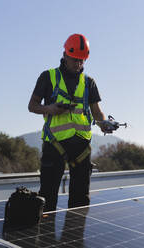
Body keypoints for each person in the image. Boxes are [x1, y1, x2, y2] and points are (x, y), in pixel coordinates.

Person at [28, 33, 108, 211]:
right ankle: (45, 236)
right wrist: (50, 109)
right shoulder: (48, 77)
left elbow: (97, 112)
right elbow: (32, 106)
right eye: (75, 59)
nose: (78, 64)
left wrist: (104, 124)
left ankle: (75, 237)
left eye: (82, 60)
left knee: (80, 200)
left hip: (81, 148)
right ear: (65, 55)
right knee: (47, 197)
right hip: (54, 144)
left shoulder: (89, 82)